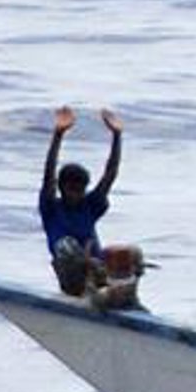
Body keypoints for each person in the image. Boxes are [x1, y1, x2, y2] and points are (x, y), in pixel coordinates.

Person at [39, 106, 124, 295]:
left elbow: (110, 175)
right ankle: (87, 293)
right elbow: (49, 174)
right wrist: (58, 134)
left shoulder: (89, 206)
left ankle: (114, 295)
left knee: (126, 253)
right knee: (66, 246)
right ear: (62, 188)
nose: (75, 194)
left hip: (98, 276)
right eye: (71, 189)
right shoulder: (51, 209)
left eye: (80, 190)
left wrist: (117, 136)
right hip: (71, 279)